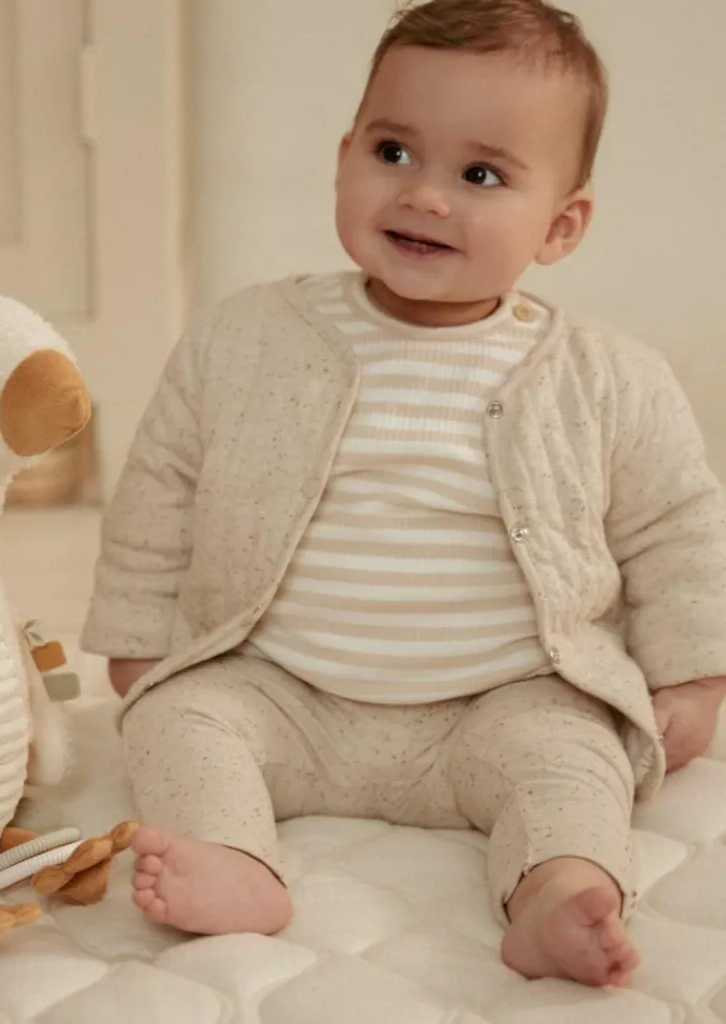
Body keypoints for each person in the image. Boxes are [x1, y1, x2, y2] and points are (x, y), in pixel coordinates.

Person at [80, 0, 726, 988]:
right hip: (282, 688)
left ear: (560, 225)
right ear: (344, 158)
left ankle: (556, 887)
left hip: (502, 698)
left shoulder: (609, 377)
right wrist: (137, 633)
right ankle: (234, 860)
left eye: (480, 175)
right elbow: (161, 484)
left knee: (576, 759)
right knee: (178, 720)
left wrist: (692, 674)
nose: (424, 195)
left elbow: (676, 527)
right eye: (392, 152)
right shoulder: (242, 337)